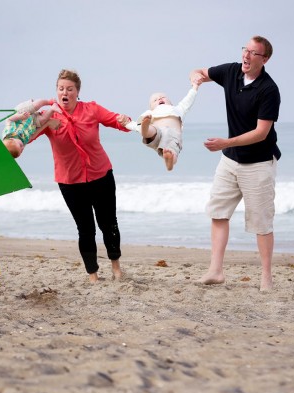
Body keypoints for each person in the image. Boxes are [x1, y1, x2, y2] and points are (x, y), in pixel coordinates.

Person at [189, 35, 281, 291]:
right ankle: (216, 271)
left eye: (254, 53)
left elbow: (261, 133)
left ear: (265, 59)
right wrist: (195, 80)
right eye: (245, 50)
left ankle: (266, 277)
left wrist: (225, 143)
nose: (247, 56)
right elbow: (198, 71)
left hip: (259, 163)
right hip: (230, 162)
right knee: (218, 212)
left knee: (261, 223)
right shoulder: (231, 71)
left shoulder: (268, 90)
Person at [29, 69, 132, 283]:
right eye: (60, 89)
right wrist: (43, 122)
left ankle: (116, 268)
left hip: (101, 175)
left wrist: (125, 119)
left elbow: (119, 122)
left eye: (69, 89)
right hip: (70, 182)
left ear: (77, 92)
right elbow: (28, 137)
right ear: (56, 91)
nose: (64, 92)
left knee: (109, 223)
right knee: (85, 229)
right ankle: (93, 275)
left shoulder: (91, 109)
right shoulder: (50, 116)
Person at [125, 81, 200, 171]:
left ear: (171, 103)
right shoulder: (151, 113)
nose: (159, 98)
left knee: (173, 151)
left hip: (172, 135)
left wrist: (195, 87)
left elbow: (188, 100)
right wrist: (127, 124)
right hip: (157, 132)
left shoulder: (178, 109)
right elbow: (136, 126)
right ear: (151, 107)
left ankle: (170, 160)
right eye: (155, 100)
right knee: (150, 129)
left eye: (163, 97)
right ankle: (145, 129)